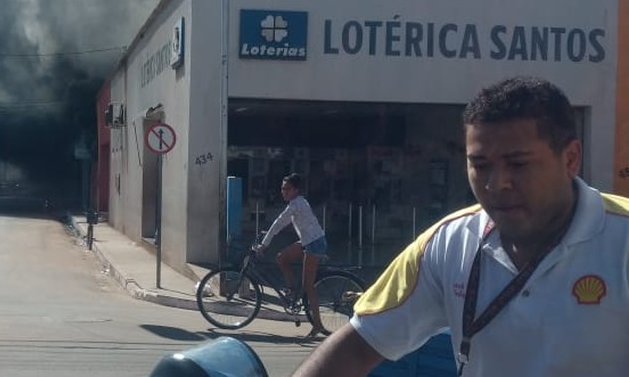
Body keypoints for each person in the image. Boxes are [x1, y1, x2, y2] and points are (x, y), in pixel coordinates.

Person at [290, 76, 629, 377]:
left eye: (518, 164)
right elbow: (356, 345)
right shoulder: (447, 243)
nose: (497, 184)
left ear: (570, 158)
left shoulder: (621, 239)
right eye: (480, 165)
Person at [256, 171, 330, 336]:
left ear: (296, 190)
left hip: (314, 243)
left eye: (287, 189)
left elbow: (279, 223)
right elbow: (279, 224)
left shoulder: (297, 204)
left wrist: (264, 244)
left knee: (308, 286)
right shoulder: (297, 203)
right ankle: (291, 291)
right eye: (282, 189)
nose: (284, 192)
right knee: (282, 258)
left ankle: (318, 324)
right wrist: (266, 234)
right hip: (308, 241)